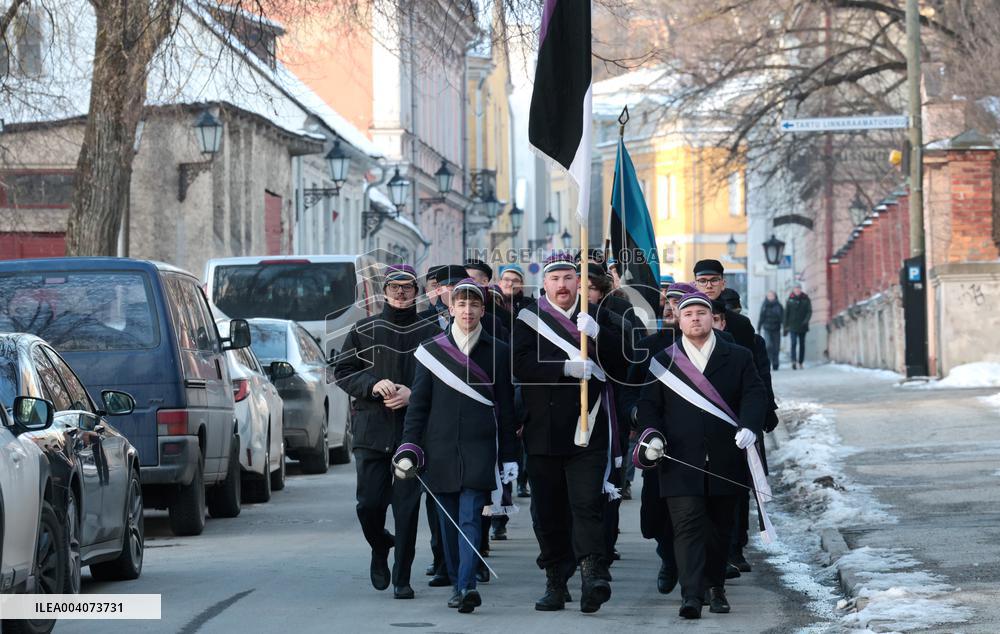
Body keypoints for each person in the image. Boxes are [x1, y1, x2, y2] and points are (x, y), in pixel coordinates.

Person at [635, 291, 767, 619]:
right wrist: (652, 434)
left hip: (726, 457)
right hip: (679, 459)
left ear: (713, 318)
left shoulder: (737, 356)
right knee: (688, 528)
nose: (695, 318)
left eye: (701, 313)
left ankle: (716, 587)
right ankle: (691, 595)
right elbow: (649, 405)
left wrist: (750, 425)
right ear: (678, 321)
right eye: (688, 314)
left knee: (720, 528)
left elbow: (755, 394)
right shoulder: (664, 360)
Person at [513, 252, 627, 613]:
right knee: (548, 511)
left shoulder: (596, 316)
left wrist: (600, 336)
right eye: (555, 279)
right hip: (544, 429)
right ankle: (555, 581)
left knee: (587, 504)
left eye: (568, 278)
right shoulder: (528, 318)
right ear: (544, 283)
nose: (562, 285)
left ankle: (591, 575)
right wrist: (564, 367)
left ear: (578, 282)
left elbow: (625, 363)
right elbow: (520, 365)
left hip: (588, 426)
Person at [396, 279, 519, 614]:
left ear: (483, 310)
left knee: (470, 518)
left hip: (481, 448)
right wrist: (409, 446)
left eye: (474, 304)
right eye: (461, 304)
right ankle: (456, 581)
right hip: (440, 450)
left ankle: (467, 586)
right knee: (448, 524)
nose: (467, 311)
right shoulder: (431, 351)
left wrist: (510, 456)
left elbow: (507, 408)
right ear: (450, 309)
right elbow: (418, 406)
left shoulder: (499, 351)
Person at [332, 264, 442, 600]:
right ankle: (380, 546)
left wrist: (413, 394)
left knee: (406, 509)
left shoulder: (432, 330)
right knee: (368, 505)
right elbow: (343, 371)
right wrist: (372, 384)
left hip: (413, 433)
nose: (401, 292)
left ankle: (402, 577)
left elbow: (444, 377)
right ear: (384, 291)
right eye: (395, 287)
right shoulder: (364, 329)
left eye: (407, 287)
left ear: (416, 292)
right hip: (371, 431)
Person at [783, 285, 812, 369]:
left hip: (803, 325)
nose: (797, 290)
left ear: (800, 289)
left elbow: (809, 311)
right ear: (794, 290)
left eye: (798, 288)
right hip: (792, 325)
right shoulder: (790, 299)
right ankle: (793, 361)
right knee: (793, 343)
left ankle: (801, 362)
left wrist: (806, 321)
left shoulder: (805, 298)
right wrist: (785, 327)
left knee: (802, 344)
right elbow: (786, 314)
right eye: (796, 289)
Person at [758, 291, 783, 371]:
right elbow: (761, 316)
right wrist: (759, 327)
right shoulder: (764, 305)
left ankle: (775, 363)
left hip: (776, 328)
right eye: (769, 296)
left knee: (776, 347)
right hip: (767, 328)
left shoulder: (779, 305)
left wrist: (785, 327)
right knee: (768, 345)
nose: (770, 297)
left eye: (772, 295)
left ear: (775, 296)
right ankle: (769, 362)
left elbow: (782, 317)